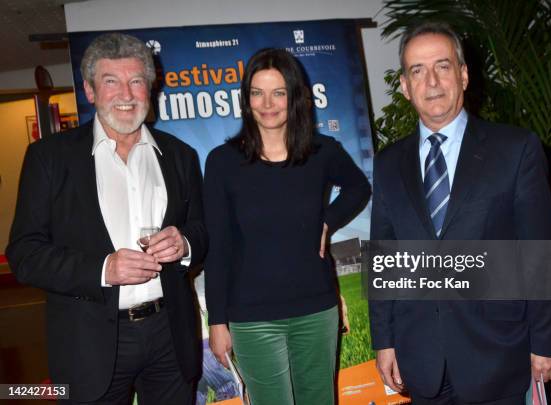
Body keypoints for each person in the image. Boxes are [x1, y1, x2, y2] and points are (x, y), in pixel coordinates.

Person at [368, 22, 551, 404]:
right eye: (417, 70)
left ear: (462, 74)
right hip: (421, 360)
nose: (432, 81)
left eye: (442, 66)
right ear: (405, 87)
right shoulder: (388, 163)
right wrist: (384, 341)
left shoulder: (516, 149)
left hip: (500, 354)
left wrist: (546, 340)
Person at [7, 33, 207, 404]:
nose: (126, 94)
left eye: (136, 81)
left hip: (170, 336)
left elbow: (201, 230)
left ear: (149, 88)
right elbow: (25, 254)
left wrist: (185, 244)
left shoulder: (181, 156)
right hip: (88, 342)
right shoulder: (49, 158)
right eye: (111, 81)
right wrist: (103, 269)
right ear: (90, 91)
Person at [204, 48, 370, 405]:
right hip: (253, 319)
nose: (268, 103)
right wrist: (217, 322)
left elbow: (359, 187)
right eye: (257, 93)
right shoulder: (223, 162)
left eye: (278, 92)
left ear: (294, 97)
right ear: (246, 100)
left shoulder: (322, 151)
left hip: (316, 310)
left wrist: (329, 220)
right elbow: (218, 247)